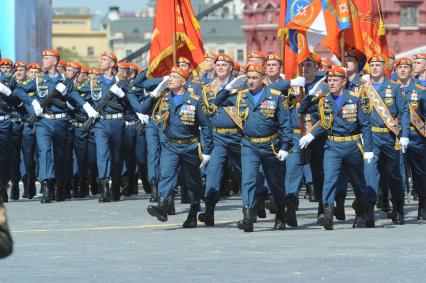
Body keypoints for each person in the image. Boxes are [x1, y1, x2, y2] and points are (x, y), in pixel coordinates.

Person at [213, 64, 297, 232]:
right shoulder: (240, 96)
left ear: (263, 79)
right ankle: (247, 215)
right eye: (248, 78)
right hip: (249, 144)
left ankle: (280, 213)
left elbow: (286, 125)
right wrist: (230, 87)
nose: (250, 81)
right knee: (249, 179)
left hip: (271, 145)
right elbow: (218, 101)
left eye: (254, 78)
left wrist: (286, 147)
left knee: (275, 182)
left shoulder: (276, 97)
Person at [147, 66, 213, 228]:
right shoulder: (164, 98)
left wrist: (207, 151)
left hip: (190, 146)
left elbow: (206, 126)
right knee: (166, 175)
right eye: (170, 76)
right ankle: (162, 205)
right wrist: (156, 91)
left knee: (192, 182)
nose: (170, 79)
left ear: (183, 81)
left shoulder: (195, 100)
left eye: (174, 77)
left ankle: (193, 210)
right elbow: (142, 108)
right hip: (171, 145)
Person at [394, 57, 426, 220]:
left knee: (419, 172)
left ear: (411, 71)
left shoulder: (420, 90)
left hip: (416, 136)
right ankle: (398, 207)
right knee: (397, 172)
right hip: (396, 137)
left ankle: (423, 202)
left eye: (406, 67)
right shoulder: (390, 89)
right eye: (399, 67)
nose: (402, 70)